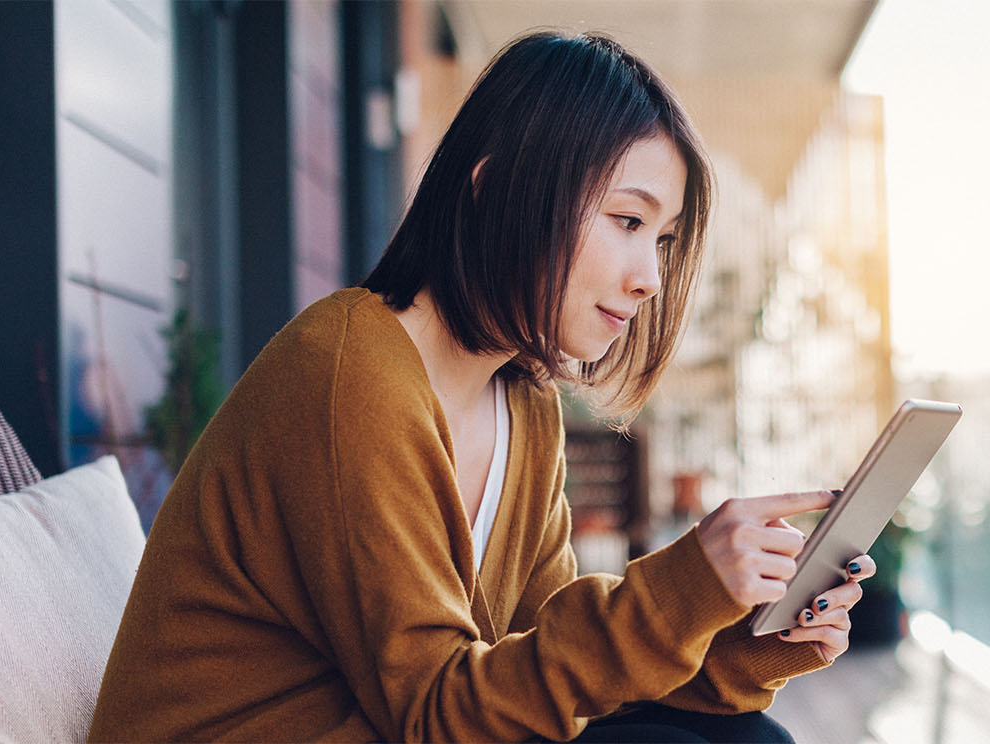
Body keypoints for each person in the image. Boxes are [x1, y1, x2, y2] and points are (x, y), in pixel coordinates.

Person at [88, 31, 876, 744]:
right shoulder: (349, 369)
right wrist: (682, 584)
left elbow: (555, 680)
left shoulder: (524, 407)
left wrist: (750, 641)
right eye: (628, 222)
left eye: (663, 241)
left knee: (749, 741)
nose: (647, 279)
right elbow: (437, 715)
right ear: (498, 188)